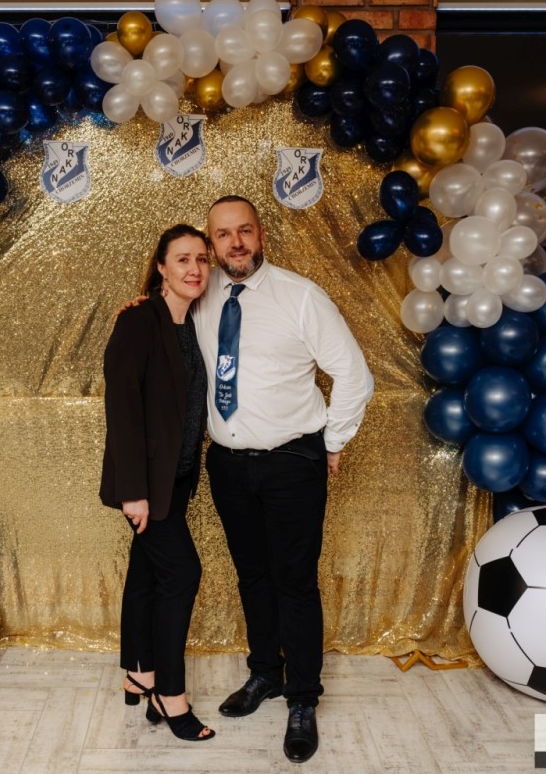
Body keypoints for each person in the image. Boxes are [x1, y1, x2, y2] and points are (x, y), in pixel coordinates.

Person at [198, 195, 374, 763]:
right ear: (211, 243)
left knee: (294, 580)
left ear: (262, 235)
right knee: (252, 575)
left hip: (291, 461)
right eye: (223, 235)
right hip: (228, 463)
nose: (235, 243)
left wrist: (334, 440)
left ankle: (302, 698)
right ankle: (264, 674)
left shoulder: (301, 296)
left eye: (244, 231)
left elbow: (353, 374)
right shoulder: (199, 294)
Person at [99, 224, 215, 742]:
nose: (194, 268)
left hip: (180, 477)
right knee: (182, 573)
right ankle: (170, 694)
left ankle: (139, 672)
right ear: (162, 267)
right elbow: (123, 410)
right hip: (146, 484)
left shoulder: (194, 322)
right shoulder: (137, 321)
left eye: (202, 259)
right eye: (183, 259)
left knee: (147, 572)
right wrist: (134, 492)